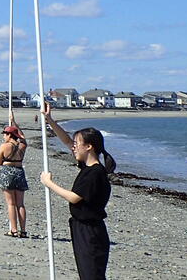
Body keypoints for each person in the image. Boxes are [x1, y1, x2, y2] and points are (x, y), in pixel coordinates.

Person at [39, 101, 117, 280]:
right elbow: (66, 141)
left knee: (92, 276)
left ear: (89, 146)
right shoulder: (87, 166)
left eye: (77, 143)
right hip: (81, 228)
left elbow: (75, 198)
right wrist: (49, 120)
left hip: (91, 232)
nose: (73, 146)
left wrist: (49, 183)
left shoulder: (95, 172)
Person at [0, 111, 29, 237]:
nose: (4, 136)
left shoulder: (4, 146)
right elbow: (22, 136)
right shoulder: (22, 145)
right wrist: (14, 121)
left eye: (5, 134)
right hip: (19, 171)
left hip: (7, 172)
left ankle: (14, 230)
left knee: (11, 203)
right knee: (20, 203)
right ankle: (23, 230)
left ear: (9, 135)